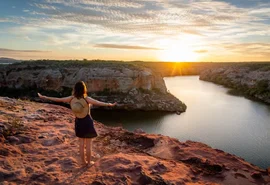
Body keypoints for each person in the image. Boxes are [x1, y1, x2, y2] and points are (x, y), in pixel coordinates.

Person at [38, 81, 116, 166]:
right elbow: (98, 102)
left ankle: (83, 162)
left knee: (81, 144)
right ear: (84, 89)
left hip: (78, 121)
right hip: (87, 122)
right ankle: (89, 163)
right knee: (88, 144)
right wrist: (109, 104)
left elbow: (58, 99)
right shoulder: (86, 99)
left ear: (75, 89)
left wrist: (44, 97)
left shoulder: (71, 98)